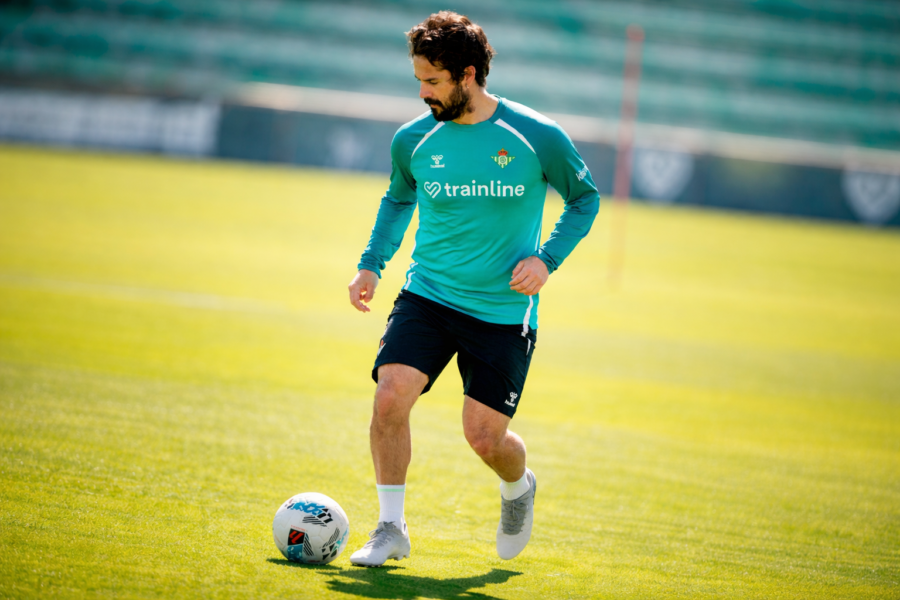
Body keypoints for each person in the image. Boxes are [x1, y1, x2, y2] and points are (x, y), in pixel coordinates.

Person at [346, 11, 599, 567]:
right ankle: (390, 529)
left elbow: (585, 199)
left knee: (484, 438)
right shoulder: (413, 138)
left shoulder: (535, 134)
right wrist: (371, 264)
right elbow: (398, 199)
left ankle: (517, 487)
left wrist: (546, 259)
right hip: (428, 295)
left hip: (503, 311)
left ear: (467, 75)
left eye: (432, 81)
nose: (422, 92)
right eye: (418, 79)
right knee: (390, 397)